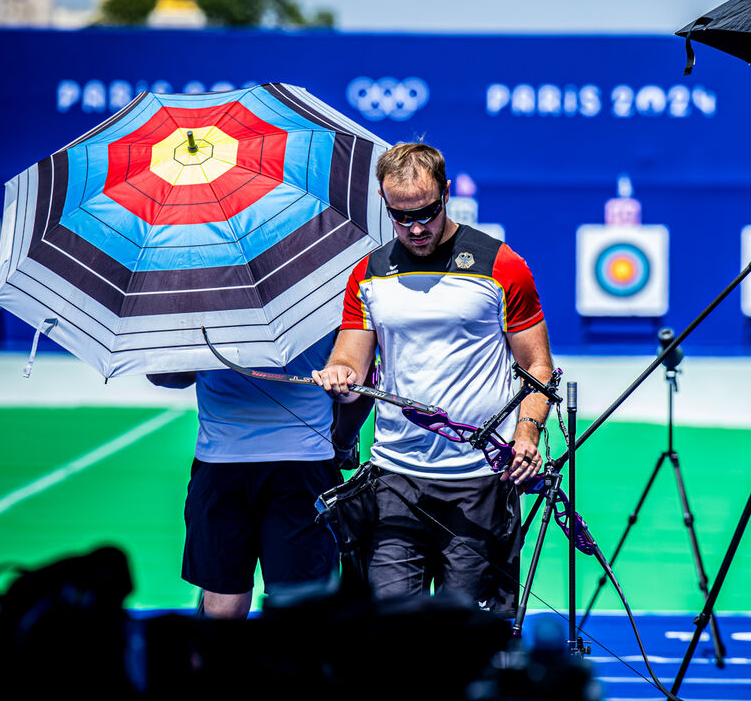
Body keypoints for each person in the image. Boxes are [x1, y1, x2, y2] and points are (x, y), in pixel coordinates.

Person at [313, 142, 553, 617]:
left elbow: (538, 367)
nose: (416, 228)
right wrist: (340, 373)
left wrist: (527, 434)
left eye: (427, 211)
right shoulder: (369, 271)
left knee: (469, 642)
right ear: (386, 204)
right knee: (390, 634)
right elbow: (351, 357)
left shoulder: (502, 266)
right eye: (401, 217)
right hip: (395, 478)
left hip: (481, 480)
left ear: (446, 192)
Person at [148, 335, 343, 619]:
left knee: (224, 606)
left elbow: (163, 375)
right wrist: (344, 439)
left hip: (224, 460)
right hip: (302, 460)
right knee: (300, 605)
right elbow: (355, 385)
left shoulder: (205, 296)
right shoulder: (323, 295)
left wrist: (209, 356)